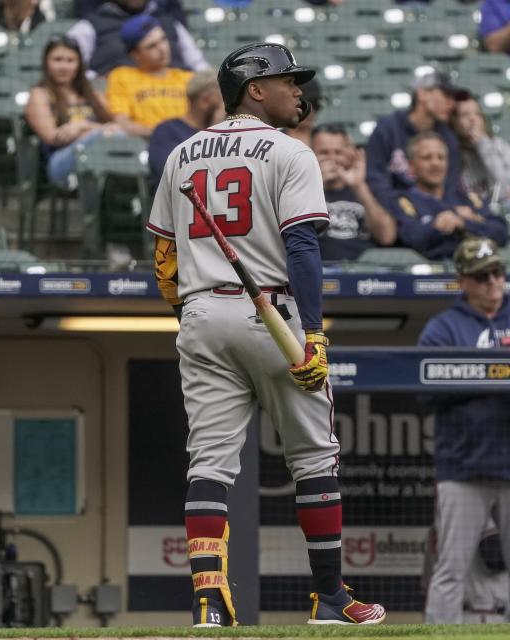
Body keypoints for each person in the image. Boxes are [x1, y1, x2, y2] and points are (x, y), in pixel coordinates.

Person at [147, 42, 386, 627]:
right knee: (313, 459)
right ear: (255, 89)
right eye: (287, 80)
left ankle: (208, 601)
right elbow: (303, 246)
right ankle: (330, 599)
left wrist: (193, 314)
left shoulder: (181, 153)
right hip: (274, 313)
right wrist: (313, 334)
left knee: (208, 463)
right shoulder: (290, 151)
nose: (297, 91)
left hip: (202, 313)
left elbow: (163, 256)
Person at [420, 237, 510, 624]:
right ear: (463, 281)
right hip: (463, 468)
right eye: (482, 276)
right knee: (450, 572)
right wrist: (494, 374)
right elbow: (424, 393)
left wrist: (483, 376)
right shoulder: (443, 328)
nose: (493, 281)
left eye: (497, 272)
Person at [392, 131, 508, 261]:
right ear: (411, 166)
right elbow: (411, 237)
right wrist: (437, 225)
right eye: (427, 157)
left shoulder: (468, 198)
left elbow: (500, 232)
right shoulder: (402, 200)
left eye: (441, 157)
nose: (435, 163)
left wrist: (463, 223)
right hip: (428, 276)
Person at [25, 35, 118, 188]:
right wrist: (98, 132)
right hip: (59, 162)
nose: (64, 66)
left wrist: (81, 126)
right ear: (46, 63)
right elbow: (53, 137)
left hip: (99, 157)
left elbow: (117, 127)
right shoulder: (39, 94)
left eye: (70, 60)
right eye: (57, 60)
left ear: (79, 64)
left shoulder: (92, 93)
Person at [365, 70, 467, 210]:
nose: (452, 104)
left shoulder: (448, 138)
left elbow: (450, 187)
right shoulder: (388, 128)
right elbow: (376, 180)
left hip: (436, 212)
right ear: (422, 93)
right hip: (394, 211)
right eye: (446, 95)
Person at [311, 124, 397, 262]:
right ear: (311, 153)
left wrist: (359, 186)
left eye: (338, 152)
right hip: (318, 270)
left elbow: (387, 236)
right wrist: (315, 184)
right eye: (324, 152)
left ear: (350, 154)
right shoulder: (300, 188)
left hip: (363, 273)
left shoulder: (368, 188)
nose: (332, 158)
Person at [105, 13, 193, 137]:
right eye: (152, 46)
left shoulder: (188, 78)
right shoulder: (122, 76)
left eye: (163, 39)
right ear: (135, 55)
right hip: (145, 146)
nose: (162, 48)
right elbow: (122, 122)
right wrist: (162, 135)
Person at [66, 0, 208, 77]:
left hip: (178, 96)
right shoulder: (90, 25)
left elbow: (199, 65)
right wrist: (98, 83)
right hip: (117, 100)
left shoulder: (170, 22)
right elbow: (70, 67)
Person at [147, 69, 224, 189]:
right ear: (205, 100)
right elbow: (173, 179)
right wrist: (215, 130)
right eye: (222, 103)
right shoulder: (167, 132)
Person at [450, 96, 510, 207]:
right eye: (464, 115)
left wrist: (484, 146)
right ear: (454, 122)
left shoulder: (499, 145)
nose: (473, 119)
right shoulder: (448, 152)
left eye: (477, 114)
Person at [286, 77, 322, 147]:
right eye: (303, 105)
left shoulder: (328, 140)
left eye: (315, 104)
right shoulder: (275, 138)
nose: (310, 111)